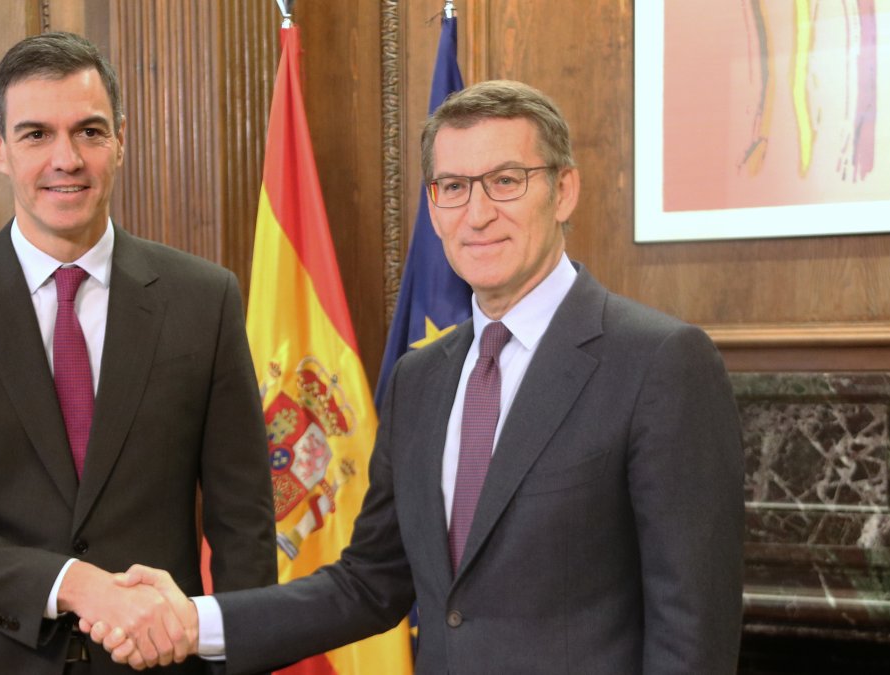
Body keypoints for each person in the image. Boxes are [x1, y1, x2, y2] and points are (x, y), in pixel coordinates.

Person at [89, 80, 746, 674]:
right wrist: (195, 621)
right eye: (453, 187)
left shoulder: (660, 363)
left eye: (506, 181)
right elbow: (370, 581)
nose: (477, 213)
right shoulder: (420, 379)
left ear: (564, 189)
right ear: (433, 206)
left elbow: (693, 632)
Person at [0, 31, 276, 674]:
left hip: (157, 664)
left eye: (89, 131)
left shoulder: (205, 299)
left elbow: (243, 525)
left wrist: (237, 659)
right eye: (36, 134)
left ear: (121, 140)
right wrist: (76, 584)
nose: (67, 159)